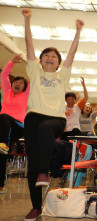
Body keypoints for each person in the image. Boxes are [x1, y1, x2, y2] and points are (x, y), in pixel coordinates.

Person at [22, 8, 83, 221]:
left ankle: (44, 171)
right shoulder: (34, 72)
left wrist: (77, 31)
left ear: (58, 62)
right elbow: (29, 46)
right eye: (46, 55)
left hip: (55, 119)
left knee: (46, 128)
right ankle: (35, 207)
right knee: (32, 163)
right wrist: (27, 20)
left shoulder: (62, 76)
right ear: (40, 61)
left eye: (54, 56)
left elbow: (72, 53)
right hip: (32, 117)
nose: (50, 58)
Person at [0, 54, 30, 194]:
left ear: (24, 87)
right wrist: (11, 61)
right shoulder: (7, 91)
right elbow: (4, 74)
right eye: (15, 82)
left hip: (18, 126)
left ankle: (4, 144)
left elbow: (32, 80)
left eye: (21, 83)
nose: (17, 84)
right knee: (1, 155)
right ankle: (1, 185)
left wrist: (30, 64)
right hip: (4, 128)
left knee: (4, 116)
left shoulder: (25, 95)